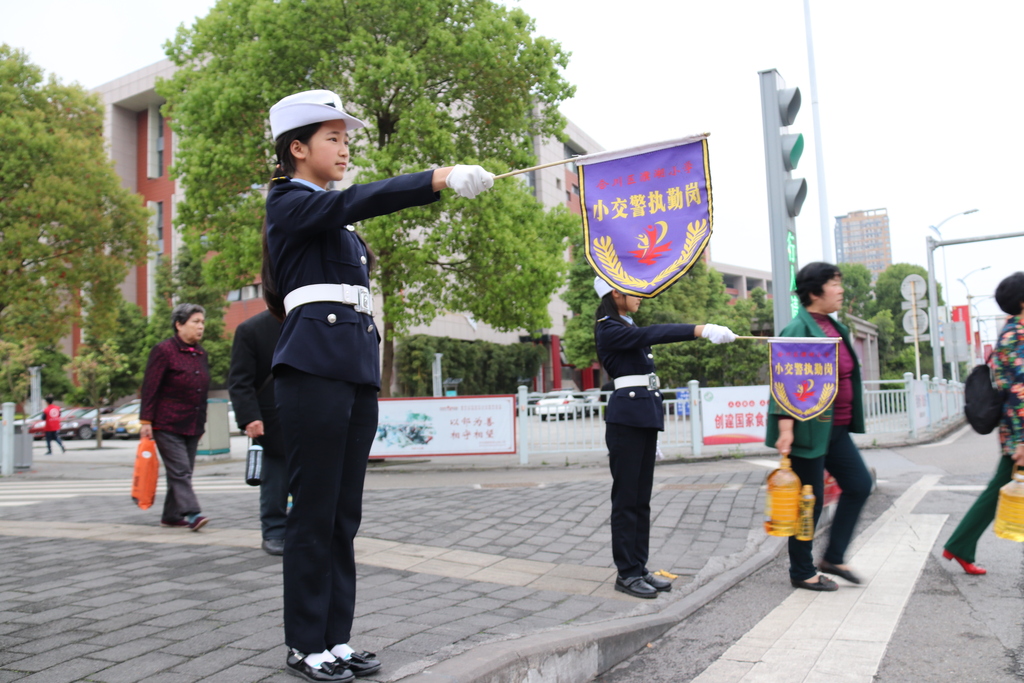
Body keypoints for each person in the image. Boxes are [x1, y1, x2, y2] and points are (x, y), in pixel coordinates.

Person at [262, 89, 494, 682]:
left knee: (343, 515)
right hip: (312, 370)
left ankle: (334, 639)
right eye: (333, 138)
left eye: (346, 138)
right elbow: (362, 202)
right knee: (313, 514)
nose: (344, 149)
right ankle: (303, 645)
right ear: (297, 147)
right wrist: (437, 177)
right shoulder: (288, 201)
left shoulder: (332, 222)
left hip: (352, 371)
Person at [593, 276, 737, 598]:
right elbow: (652, 334)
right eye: (634, 291)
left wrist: (653, 429)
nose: (641, 296)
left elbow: (648, 383)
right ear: (615, 293)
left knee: (641, 500)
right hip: (626, 422)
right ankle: (626, 573)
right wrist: (700, 330)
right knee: (626, 500)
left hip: (640, 420)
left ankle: (638, 566)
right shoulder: (609, 327)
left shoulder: (625, 324)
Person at [765, 262, 873, 592]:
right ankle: (802, 571)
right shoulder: (798, 329)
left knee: (858, 484)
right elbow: (784, 380)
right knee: (807, 499)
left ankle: (834, 556)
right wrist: (786, 429)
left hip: (835, 428)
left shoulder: (833, 325)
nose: (840, 290)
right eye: (834, 284)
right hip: (808, 430)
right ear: (815, 292)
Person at [942, 271, 1024, 574]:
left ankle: (960, 545)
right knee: (997, 489)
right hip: (1019, 431)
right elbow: (1018, 391)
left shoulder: (1014, 330)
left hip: (1016, 431)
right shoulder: (1016, 335)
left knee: (997, 490)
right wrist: (1021, 441)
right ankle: (959, 545)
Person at [139, 303, 211, 532]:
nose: (200, 327)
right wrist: (146, 421)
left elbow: (201, 391)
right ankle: (193, 513)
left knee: (182, 471)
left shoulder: (200, 353)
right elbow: (150, 387)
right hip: (166, 423)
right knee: (180, 470)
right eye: (195, 322)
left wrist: (202, 422)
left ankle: (171, 515)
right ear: (179, 325)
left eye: (202, 322)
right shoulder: (163, 351)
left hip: (192, 423)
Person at [228, 309, 286, 556]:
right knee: (276, 477)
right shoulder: (251, 329)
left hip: (311, 413)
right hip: (271, 417)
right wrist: (250, 417)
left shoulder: (312, 319)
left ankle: (309, 529)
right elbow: (240, 380)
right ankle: (274, 531)